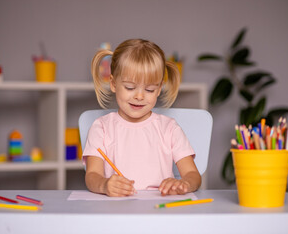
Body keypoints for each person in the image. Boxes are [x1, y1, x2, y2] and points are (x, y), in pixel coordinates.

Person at [83, 39, 201, 197]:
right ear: (113, 84)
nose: (139, 96)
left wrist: (183, 183)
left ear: (159, 89)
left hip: (160, 209)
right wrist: (104, 185)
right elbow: (92, 176)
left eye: (150, 89)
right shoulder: (101, 127)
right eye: (130, 87)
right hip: (115, 209)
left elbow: (193, 175)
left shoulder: (169, 128)